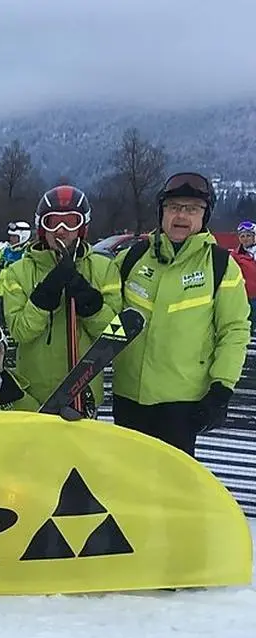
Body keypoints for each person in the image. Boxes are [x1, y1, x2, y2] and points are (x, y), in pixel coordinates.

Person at [112, 172, 251, 456]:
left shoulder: (220, 265)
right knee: (125, 489)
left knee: (171, 493)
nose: (181, 216)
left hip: (181, 404)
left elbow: (234, 331)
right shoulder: (131, 258)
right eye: (174, 207)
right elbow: (105, 314)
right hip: (128, 397)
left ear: (204, 216)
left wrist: (221, 388)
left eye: (192, 209)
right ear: (161, 212)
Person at [0, 186, 122, 407]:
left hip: (82, 392)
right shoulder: (18, 272)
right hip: (34, 394)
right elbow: (20, 331)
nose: (61, 230)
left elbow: (112, 336)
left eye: (71, 222)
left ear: (82, 227)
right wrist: (44, 297)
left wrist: (90, 304)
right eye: (53, 222)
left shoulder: (104, 270)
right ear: (41, 227)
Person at [230, 221, 256, 322]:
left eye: (248, 235)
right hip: (248, 297)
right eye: (242, 236)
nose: (245, 239)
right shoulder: (235, 256)